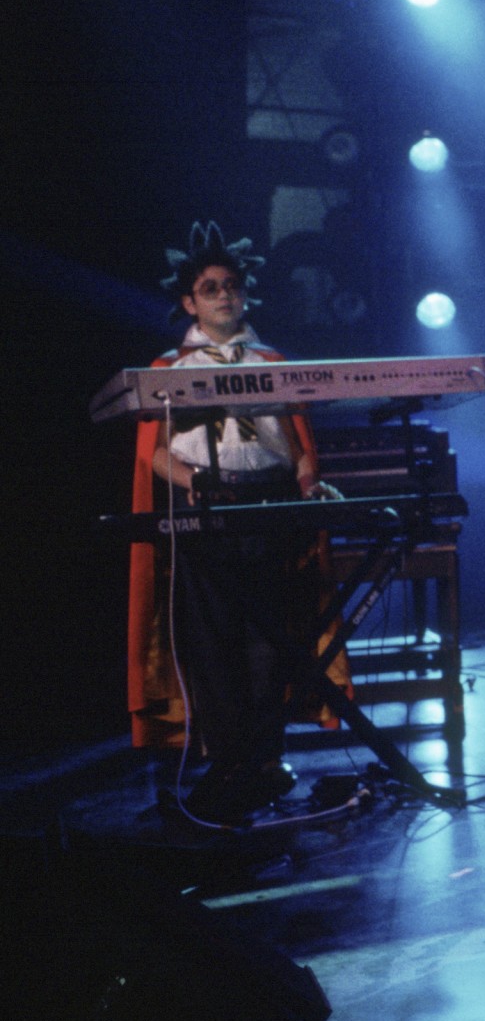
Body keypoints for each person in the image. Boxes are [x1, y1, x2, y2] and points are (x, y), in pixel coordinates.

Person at [127, 223, 341, 824]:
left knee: (271, 636)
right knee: (213, 637)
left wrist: (307, 485)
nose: (224, 295)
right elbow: (154, 453)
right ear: (189, 302)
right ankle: (227, 762)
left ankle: (266, 758)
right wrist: (196, 482)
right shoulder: (169, 367)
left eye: (232, 286)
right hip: (207, 504)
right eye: (210, 288)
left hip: (270, 502)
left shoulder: (271, 362)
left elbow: (297, 441)